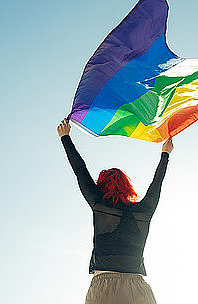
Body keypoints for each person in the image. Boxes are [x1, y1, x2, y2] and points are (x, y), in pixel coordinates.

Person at [57, 118, 173, 304]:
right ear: (127, 187)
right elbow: (156, 185)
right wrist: (165, 155)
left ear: (101, 186)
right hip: (138, 288)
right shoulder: (143, 211)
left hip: (104, 287)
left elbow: (80, 170)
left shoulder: (99, 203)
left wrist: (65, 137)